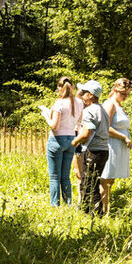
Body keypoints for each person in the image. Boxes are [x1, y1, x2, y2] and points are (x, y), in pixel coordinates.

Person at [71, 80, 110, 216]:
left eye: (84, 93)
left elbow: (86, 134)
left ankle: (94, 215)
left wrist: (74, 142)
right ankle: (87, 212)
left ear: (91, 95)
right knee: (91, 182)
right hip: (103, 150)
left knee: (89, 185)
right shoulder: (102, 110)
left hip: (93, 151)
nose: (82, 96)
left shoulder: (89, 111)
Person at [46, 76, 82, 206]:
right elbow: (79, 122)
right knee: (65, 176)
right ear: (72, 87)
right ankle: (68, 204)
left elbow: (54, 126)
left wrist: (46, 117)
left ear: (59, 88)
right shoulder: (79, 102)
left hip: (57, 139)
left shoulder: (59, 103)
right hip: (71, 139)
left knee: (54, 177)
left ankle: (55, 206)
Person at [100, 79, 132, 214]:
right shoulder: (110, 104)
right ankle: (102, 211)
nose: (125, 97)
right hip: (111, 145)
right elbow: (105, 128)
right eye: (123, 94)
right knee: (105, 180)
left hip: (118, 147)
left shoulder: (119, 105)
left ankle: (106, 209)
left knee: (110, 180)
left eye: (127, 94)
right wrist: (123, 137)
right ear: (115, 90)